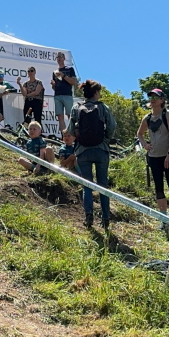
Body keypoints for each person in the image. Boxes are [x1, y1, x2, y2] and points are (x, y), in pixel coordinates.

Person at [67, 80, 116, 229]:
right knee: (103, 185)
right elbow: (112, 126)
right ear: (95, 93)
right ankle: (106, 218)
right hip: (101, 150)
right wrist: (105, 140)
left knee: (87, 185)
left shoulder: (76, 107)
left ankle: (89, 216)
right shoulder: (103, 107)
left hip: (83, 151)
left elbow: (69, 130)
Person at [136, 88, 169, 218]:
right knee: (159, 188)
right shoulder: (148, 117)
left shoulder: (168, 114)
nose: (153, 100)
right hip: (154, 157)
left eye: (156, 97)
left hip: (168, 156)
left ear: (162, 100)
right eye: (151, 97)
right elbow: (139, 133)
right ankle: (163, 218)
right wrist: (145, 144)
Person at [51, 52, 78, 136]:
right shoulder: (55, 72)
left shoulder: (70, 69)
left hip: (67, 95)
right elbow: (54, 87)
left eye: (60, 56)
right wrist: (53, 85)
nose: (59, 58)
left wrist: (63, 76)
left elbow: (73, 82)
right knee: (60, 117)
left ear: (64, 58)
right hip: (57, 95)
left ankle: (72, 134)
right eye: (57, 57)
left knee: (70, 115)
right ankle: (63, 136)